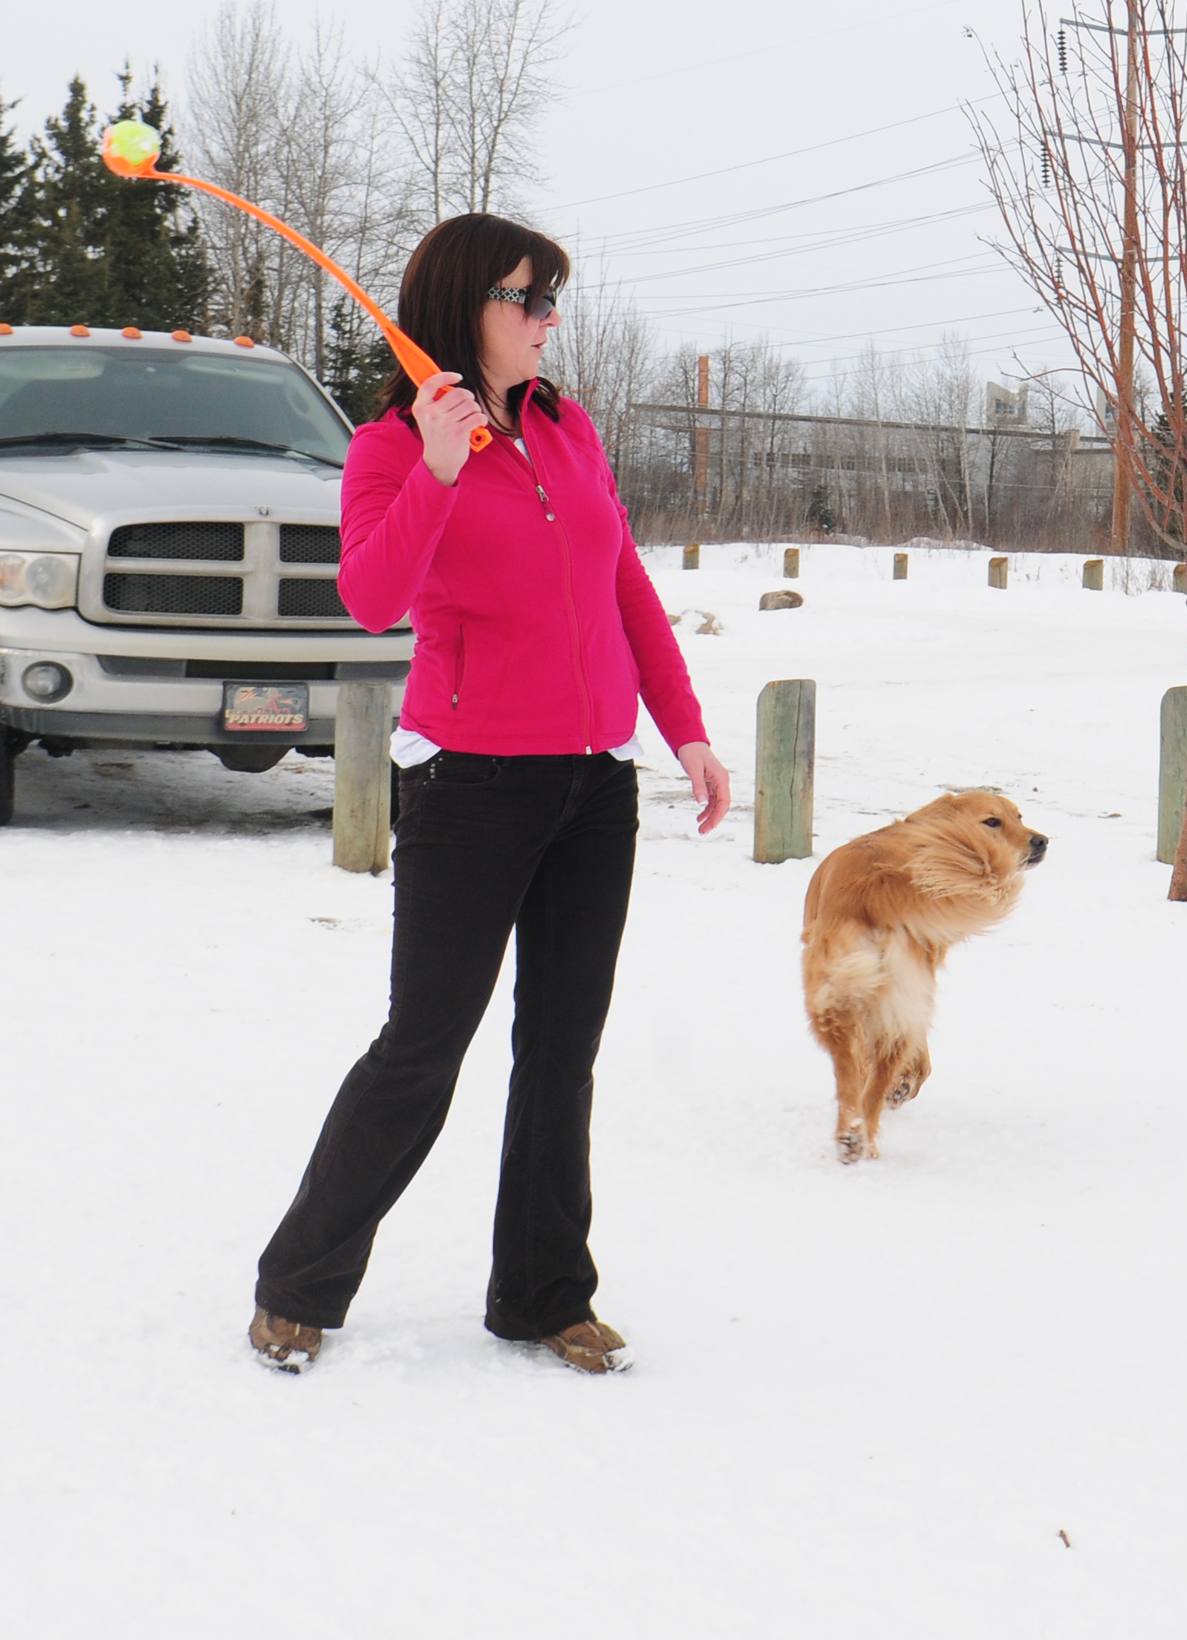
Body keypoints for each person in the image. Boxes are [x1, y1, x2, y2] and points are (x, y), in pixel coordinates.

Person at [248, 213, 731, 1375]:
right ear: (466, 306)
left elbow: (621, 584)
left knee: (562, 1050)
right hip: (469, 788)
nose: (547, 319)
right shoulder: (390, 449)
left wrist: (688, 731)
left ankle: (543, 1292)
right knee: (424, 1047)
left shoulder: (570, 430)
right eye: (528, 298)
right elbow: (371, 597)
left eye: (553, 297)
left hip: (592, 787)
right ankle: (300, 1280)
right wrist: (443, 466)